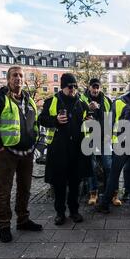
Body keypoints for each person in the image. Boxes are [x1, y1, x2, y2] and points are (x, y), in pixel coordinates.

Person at [0, 66, 42, 243]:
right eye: (14, 75)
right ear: (8, 79)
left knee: (25, 188)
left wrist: (35, 141)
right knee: (4, 191)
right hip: (7, 153)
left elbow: (34, 123)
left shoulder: (29, 100)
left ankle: (23, 220)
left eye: (21, 76)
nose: (18, 78)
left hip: (27, 152)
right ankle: (4, 226)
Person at [38, 73, 92, 226]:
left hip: (77, 149)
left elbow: (89, 118)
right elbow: (41, 119)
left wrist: (90, 120)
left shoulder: (82, 102)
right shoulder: (52, 101)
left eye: (75, 86)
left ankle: (74, 211)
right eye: (70, 86)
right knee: (59, 183)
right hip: (59, 150)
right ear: (63, 86)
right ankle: (60, 213)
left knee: (75, 183)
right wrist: (55, 120)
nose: (73, 89)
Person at [97, 81, 130, 217]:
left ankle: (104, 205)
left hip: (121, 143)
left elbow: (109, 122)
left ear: (126, 90)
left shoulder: (119, 102)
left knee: (114, 175)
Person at [79, 78, 120, 206]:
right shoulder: (82, 100)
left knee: (109, 166)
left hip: (105, 138)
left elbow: (112, 119)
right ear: (89, 87)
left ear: (100, 88)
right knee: (91, 167)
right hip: (89, 138)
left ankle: (112, 194)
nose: (95, 90)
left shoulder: (107, 100)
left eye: (97, 87)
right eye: (93, 87)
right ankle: (93, 193)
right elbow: (77, 116)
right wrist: (88, 110)